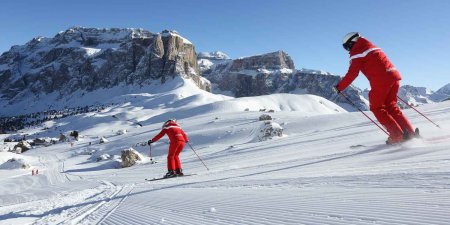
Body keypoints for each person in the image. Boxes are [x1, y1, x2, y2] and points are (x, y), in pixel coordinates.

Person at [336, 32, 416, 144]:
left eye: (347, 47)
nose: (348, 50)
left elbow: (352, 73)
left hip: (381, 81)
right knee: (391, 107)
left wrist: (339, 87)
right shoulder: (372, 47)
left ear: (351, 43)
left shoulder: (358, 51)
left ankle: (397, 136)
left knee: (377, 108)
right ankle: (410, 133)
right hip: (394, 77)